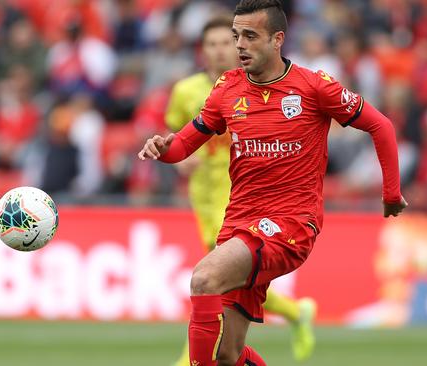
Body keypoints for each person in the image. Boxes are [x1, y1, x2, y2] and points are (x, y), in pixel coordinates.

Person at [138, 1, 408, 365]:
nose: (240, 46)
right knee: (226, 355)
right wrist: (164, 148)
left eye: (250, 36)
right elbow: (186, 143)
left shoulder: (314, 87)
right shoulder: (226, 90)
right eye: (237, 36)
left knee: (204, 278)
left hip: (291, 223)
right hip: (238, 223)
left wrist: (391, 193)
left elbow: (381, 125)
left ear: (277, 39)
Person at [165, 15, 317, 366]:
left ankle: (192, 360)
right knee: (215, 292)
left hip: (238, 199)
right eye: (213, 44)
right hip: (203, 196)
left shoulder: (254, 89)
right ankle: (295, 313)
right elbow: (177, 136)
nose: (220, 50)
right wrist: (176, 157)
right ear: (202, 51)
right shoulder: (187, 91)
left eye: (226, 43)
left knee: (208, 279)